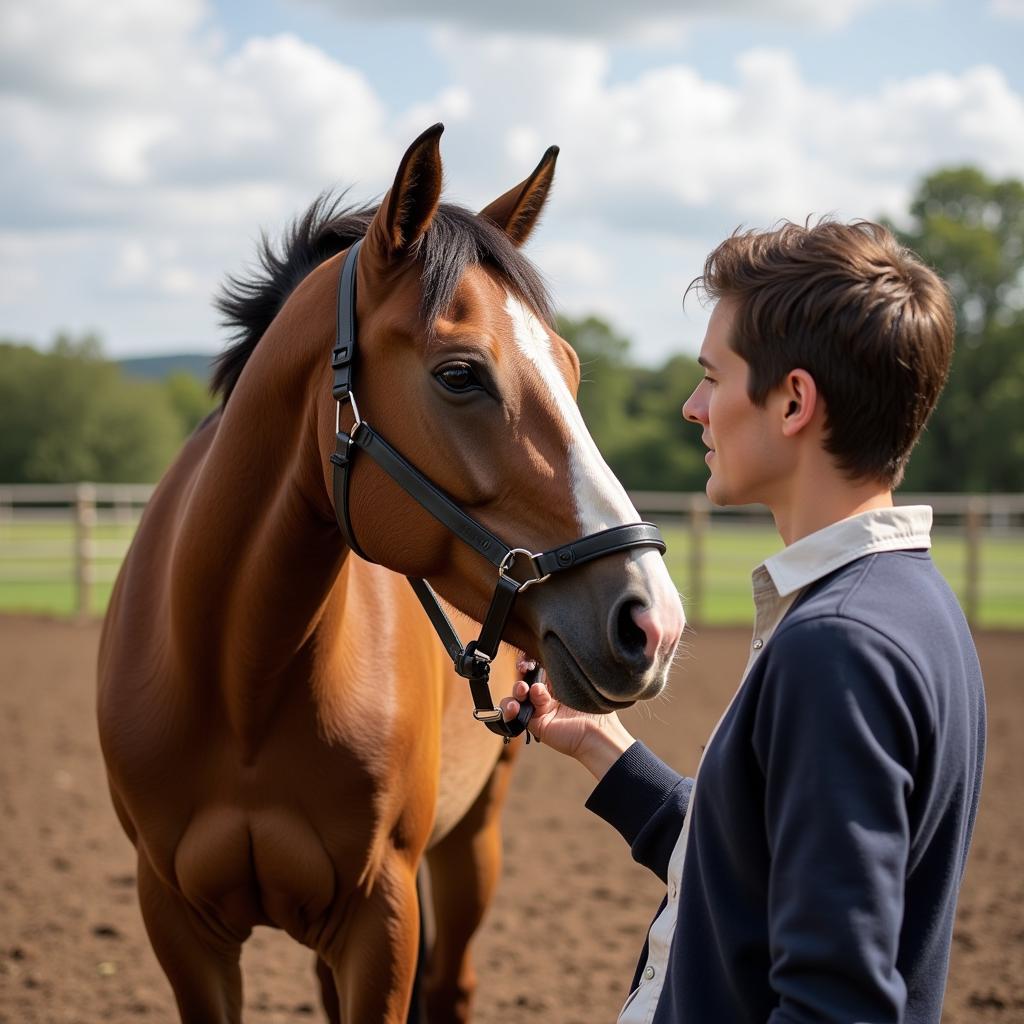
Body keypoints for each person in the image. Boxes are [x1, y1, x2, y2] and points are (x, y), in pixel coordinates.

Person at [500, 219, 986, 1023]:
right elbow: (758, 873)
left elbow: (836, 1006)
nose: (694, 408)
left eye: (712, 378)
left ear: (794, 401)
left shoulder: (839, 648)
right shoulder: (911, 604)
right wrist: (601, 746)